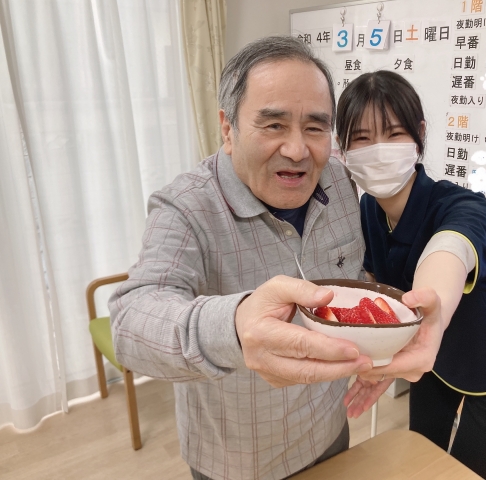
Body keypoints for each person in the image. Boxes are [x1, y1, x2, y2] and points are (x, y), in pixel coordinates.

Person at [108, 36, 374, 480]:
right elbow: (130, 323)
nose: (297, 150)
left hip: (330, 429)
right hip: (238, 461)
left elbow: (355, 275)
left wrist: (381, 347)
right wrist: (234, 325)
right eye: (273, 125)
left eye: (315, 128)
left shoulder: (340, 181)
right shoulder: (186, 207)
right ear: (228, 129)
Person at [336, 70, 486, 480]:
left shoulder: (463, 205)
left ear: (420, 134)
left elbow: (448, 250)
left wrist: (432, 305)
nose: (378, 150)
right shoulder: (369, 210)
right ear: (343, 149)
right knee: (421, 457)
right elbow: (379, 282)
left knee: (464, 472)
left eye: (393, 133)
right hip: (431, 356)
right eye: (361, 138)